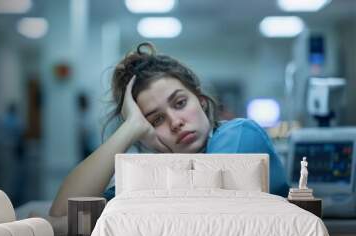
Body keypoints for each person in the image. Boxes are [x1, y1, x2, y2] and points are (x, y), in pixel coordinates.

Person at [49, 42, 288, 217]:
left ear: (201, 101)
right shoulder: (156, 174)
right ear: (144, 136)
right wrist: (129, 128)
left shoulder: (239, 134)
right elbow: (64, 213)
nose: (175, 122)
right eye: (156, 120)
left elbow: (205, 212)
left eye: (180, 103)